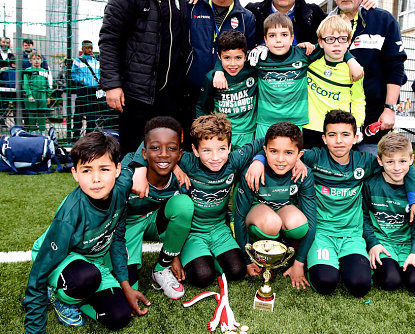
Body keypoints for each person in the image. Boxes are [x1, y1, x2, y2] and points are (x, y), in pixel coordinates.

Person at [23, 132, 149, 333]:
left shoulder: (122, 186)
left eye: (104, 169)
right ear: (75, 173)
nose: (96, 179)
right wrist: (35, 330)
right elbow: (38, 274)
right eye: (87, 170)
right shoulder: (70, 214)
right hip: (59, 258)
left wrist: (126, 287)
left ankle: (77, 293)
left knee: (120, 316)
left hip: (93, 261)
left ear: (117, 170)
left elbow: (116, 238)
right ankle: (58, 296)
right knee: (86, 277)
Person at [300, 110, 415, 297]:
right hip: (322, 233)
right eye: (332, 135)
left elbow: (402, 164)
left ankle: (344, 264)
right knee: (325, 283)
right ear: (324, 138)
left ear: (355, 137)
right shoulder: (314, 158)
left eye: (345, 135)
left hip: (352, 235)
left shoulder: (364, 161)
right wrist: (263, 160)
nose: (339, 141)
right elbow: (285, 155)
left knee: (360, 285)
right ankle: (322, 265)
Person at [132, 113, 265, 288]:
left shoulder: (234, 160)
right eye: (207, 150)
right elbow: (147, 143)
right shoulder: (188, 161)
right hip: (192, 233)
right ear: (195, 150)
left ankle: (213, 257)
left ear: (230, 147)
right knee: (202, 276)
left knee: (237, 271)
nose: (215, 157)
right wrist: (173, 167)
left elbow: (267, 140)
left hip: (219, 229)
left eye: (222, 149)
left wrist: (258, 160)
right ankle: (199, 257)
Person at [99, 0, 190, 156]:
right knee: (133, 157)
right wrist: (112, 84)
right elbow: (109, 40)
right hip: (136, 96)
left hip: (169, 99)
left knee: (163, 157)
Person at [330, 0, 407, 154]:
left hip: (372, 117)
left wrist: (390, 108)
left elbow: (395, 68)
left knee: (373, 173)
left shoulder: (383, 20)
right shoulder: (326, 23)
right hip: (333, 117)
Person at [234, 122, 316, 290]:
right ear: (265, 151)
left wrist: (299, 263)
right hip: (258, 213)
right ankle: (258, 251)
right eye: (273, 151)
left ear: (299, 154)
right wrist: (247, 259)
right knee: (272, 223)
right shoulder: (253, 171)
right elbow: (239, 216)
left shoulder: (303, 173)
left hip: (282, 210)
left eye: (288, 153)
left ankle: (282, 249)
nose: (280, 159)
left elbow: (312, 223)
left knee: (299, 223)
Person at [184, 0, 256, 142]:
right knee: (193, 146)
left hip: (225, 96)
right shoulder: (192, 6)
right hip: (190, 91)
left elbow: (248, 56)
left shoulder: (246, 18)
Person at [122, 116, 194, 299]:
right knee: (128, 288)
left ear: (179, 155)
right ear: (144, 153)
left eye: (171, 149)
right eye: (155, 148)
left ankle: (161, 268)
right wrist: (138, 167)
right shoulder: (128, 172)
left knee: (184, 204)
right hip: (126, 227)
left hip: (154, 222)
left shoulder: (181, 175)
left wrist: (174, 256)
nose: (163, 154)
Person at [362, 133, 415, 294]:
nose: (397, 167)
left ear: (411, 160)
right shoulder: (370, 185)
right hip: (382, 243)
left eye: (403, 161)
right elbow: (363, 218)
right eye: (390, 161)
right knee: (390, 281)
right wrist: (372, 243)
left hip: (406, 244)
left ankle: (411, 259)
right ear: (380, 161)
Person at [303, 15, 365, 148]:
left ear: (349, 42)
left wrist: (357, 126)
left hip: (337, 131)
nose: (337, 44)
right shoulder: (309, 63)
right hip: (310, 128)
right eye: (330, 39)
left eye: (342, 39)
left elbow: (358, 100)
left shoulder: (354, 70)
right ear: (320, 42)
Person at [196, 30, 257, 149]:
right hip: (221, 136)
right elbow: (201, 106)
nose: (233, 64)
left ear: (246, 56)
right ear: (219, 57)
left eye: (238, 58)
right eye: (227, 58)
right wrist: (203, 132)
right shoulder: (211, 78)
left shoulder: (253, 70)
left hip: (249, 134)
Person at [71, 40, 101, 140]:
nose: (89, 50)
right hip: (82, 90)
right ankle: (75, 136)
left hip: (93, 91)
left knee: (91, 116)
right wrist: (82, 80)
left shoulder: (96, 61)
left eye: (91, 48)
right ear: (83, 48)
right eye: (87, 48)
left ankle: (89, 137)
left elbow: (99, 74)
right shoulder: (78, 61)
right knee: (78, 115)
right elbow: (73, 75)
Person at [23, 50, 50, 132]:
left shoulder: (44, 71)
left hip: (42, 95)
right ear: (30, 60)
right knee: (32, 114)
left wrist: (48, 96)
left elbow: (47, 84)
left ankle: (42, 131)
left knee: (41, 113)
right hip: (33, 94)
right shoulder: (28, 71)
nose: (36, 61)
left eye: (38, 59)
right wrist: (29, 95)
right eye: (34, 59)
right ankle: (32, 131)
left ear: (41, 60)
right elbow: (26, 84)